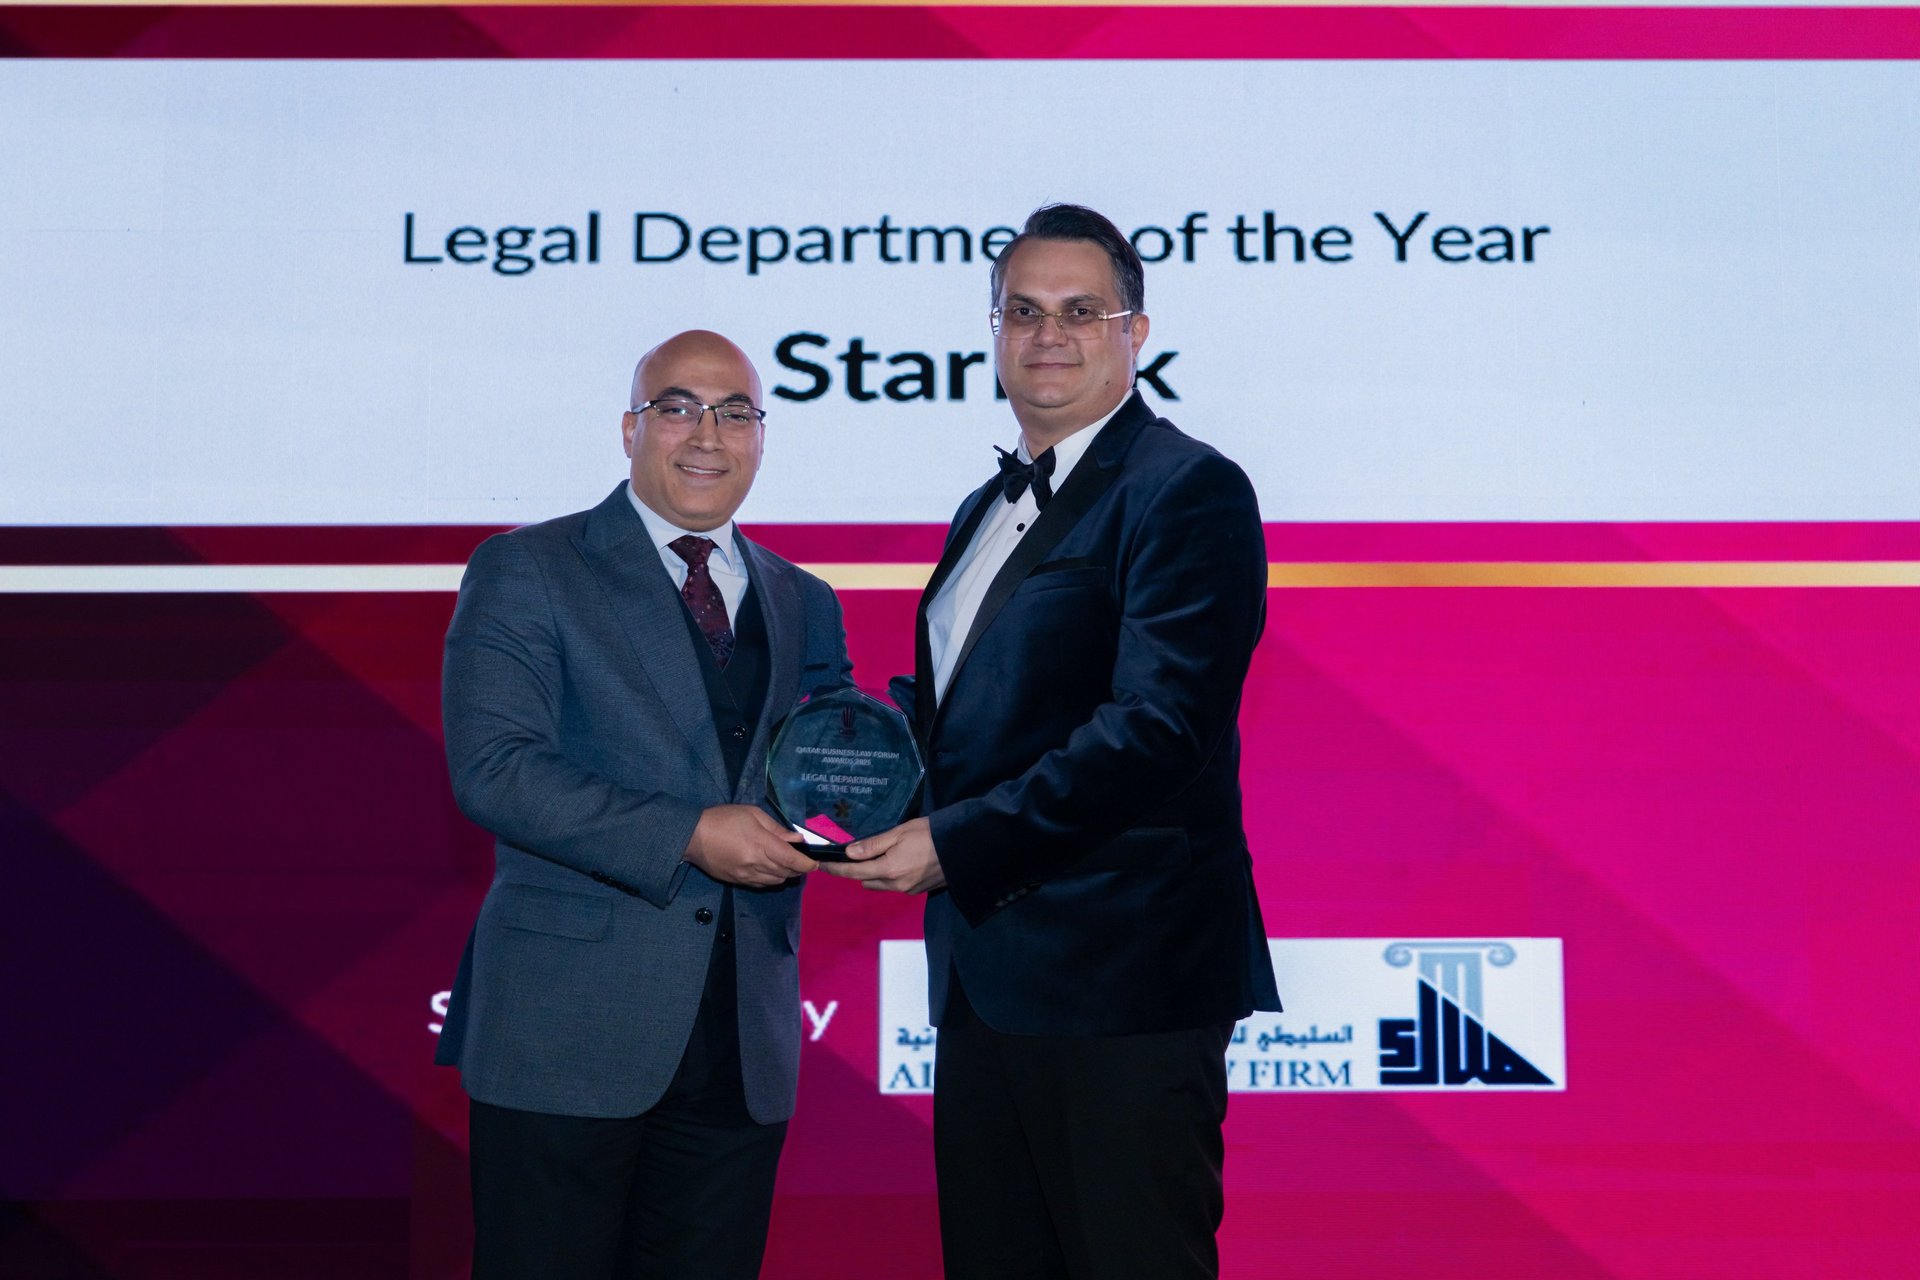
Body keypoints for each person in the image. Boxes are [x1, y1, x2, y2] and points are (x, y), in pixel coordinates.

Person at [826, 205, 1282, 1279]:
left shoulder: (1187, 489)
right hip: (988, 979)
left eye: (1083, 310)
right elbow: (964, 717)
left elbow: (1156, 729)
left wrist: (959, 842)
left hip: (1122, 984)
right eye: (1023, 310)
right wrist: (843, 766)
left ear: (1138, 332)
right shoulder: (986, 503)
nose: (1049, 334)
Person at [435, 330, 851, 1279]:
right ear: (631, 429)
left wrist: (865, 825)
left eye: (735, 412)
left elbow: (828, 774)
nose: (708, 433)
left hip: (741, 1052)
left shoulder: (804, 599)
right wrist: (691, 835)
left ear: (760, 438)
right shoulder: (529, 568)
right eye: (677, 406)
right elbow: (495, 769)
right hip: (565, 1036)